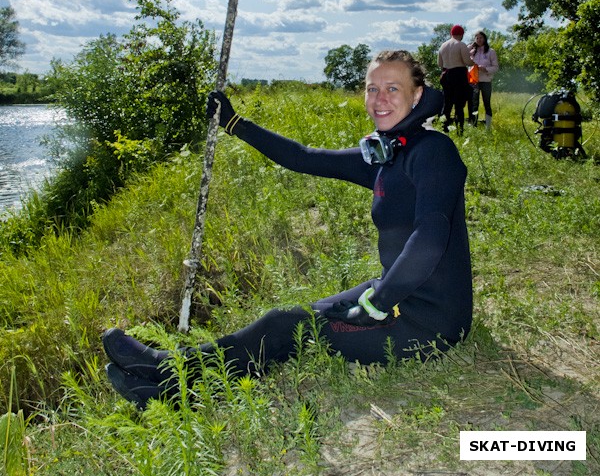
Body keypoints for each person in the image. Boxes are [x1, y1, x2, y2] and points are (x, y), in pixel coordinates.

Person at [102, 50, 472, 410]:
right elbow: (304, 157)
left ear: (417, 94)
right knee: (302, 315)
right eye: (372, 89)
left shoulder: (433, 151)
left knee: (284, 328)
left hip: (426, 325)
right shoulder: (388, 154)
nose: (379, 99)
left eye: (393, 88)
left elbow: (430, 236)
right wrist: (235, 124)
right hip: (400, 296)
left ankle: (169, 376)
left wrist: (377, 303)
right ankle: (166, 378)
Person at [437, 25, 473, 133]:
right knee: (459, 104)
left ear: (451, 34)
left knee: (447, 103)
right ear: (461, 35)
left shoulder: (443, 46)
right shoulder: (461, 45)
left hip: (446, 74)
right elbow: (467, 61)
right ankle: (460, 129)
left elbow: (440, 64)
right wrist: (474, 62)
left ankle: (444, 128)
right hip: (458, 75)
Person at [469, 31, 499, 129]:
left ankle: (488, 126)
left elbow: (496, 67)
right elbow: (465, 56)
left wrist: (485, 69)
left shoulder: (491, 51)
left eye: (480, 38)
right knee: (474, 104)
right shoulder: (472, 52)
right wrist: (471, 46)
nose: (479, 40)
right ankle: (474, 125)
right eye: (476, 38)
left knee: (487, 103)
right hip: (475, 81)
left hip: (486, 81)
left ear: (485, 39)